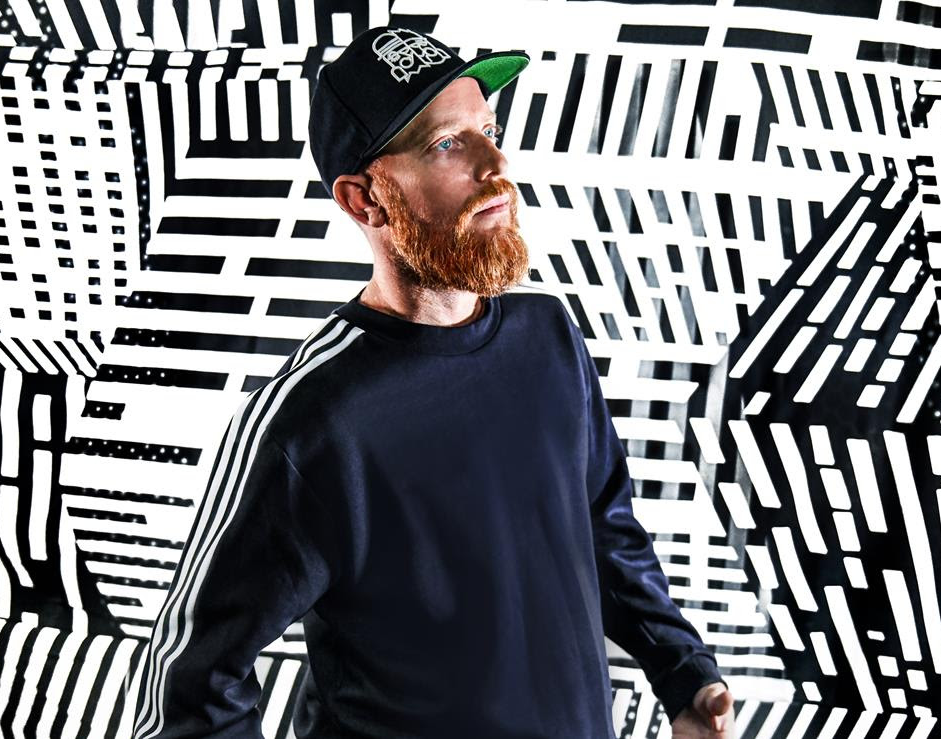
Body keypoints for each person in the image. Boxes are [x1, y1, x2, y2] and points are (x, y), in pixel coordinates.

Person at [130, 25, 735, 739]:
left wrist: (684, 673)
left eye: (490, 131)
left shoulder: (547, 340)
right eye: (448, 144)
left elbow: (605, 530)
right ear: (365, 199)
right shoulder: (316, 422)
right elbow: (189, 682)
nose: (496, 164)